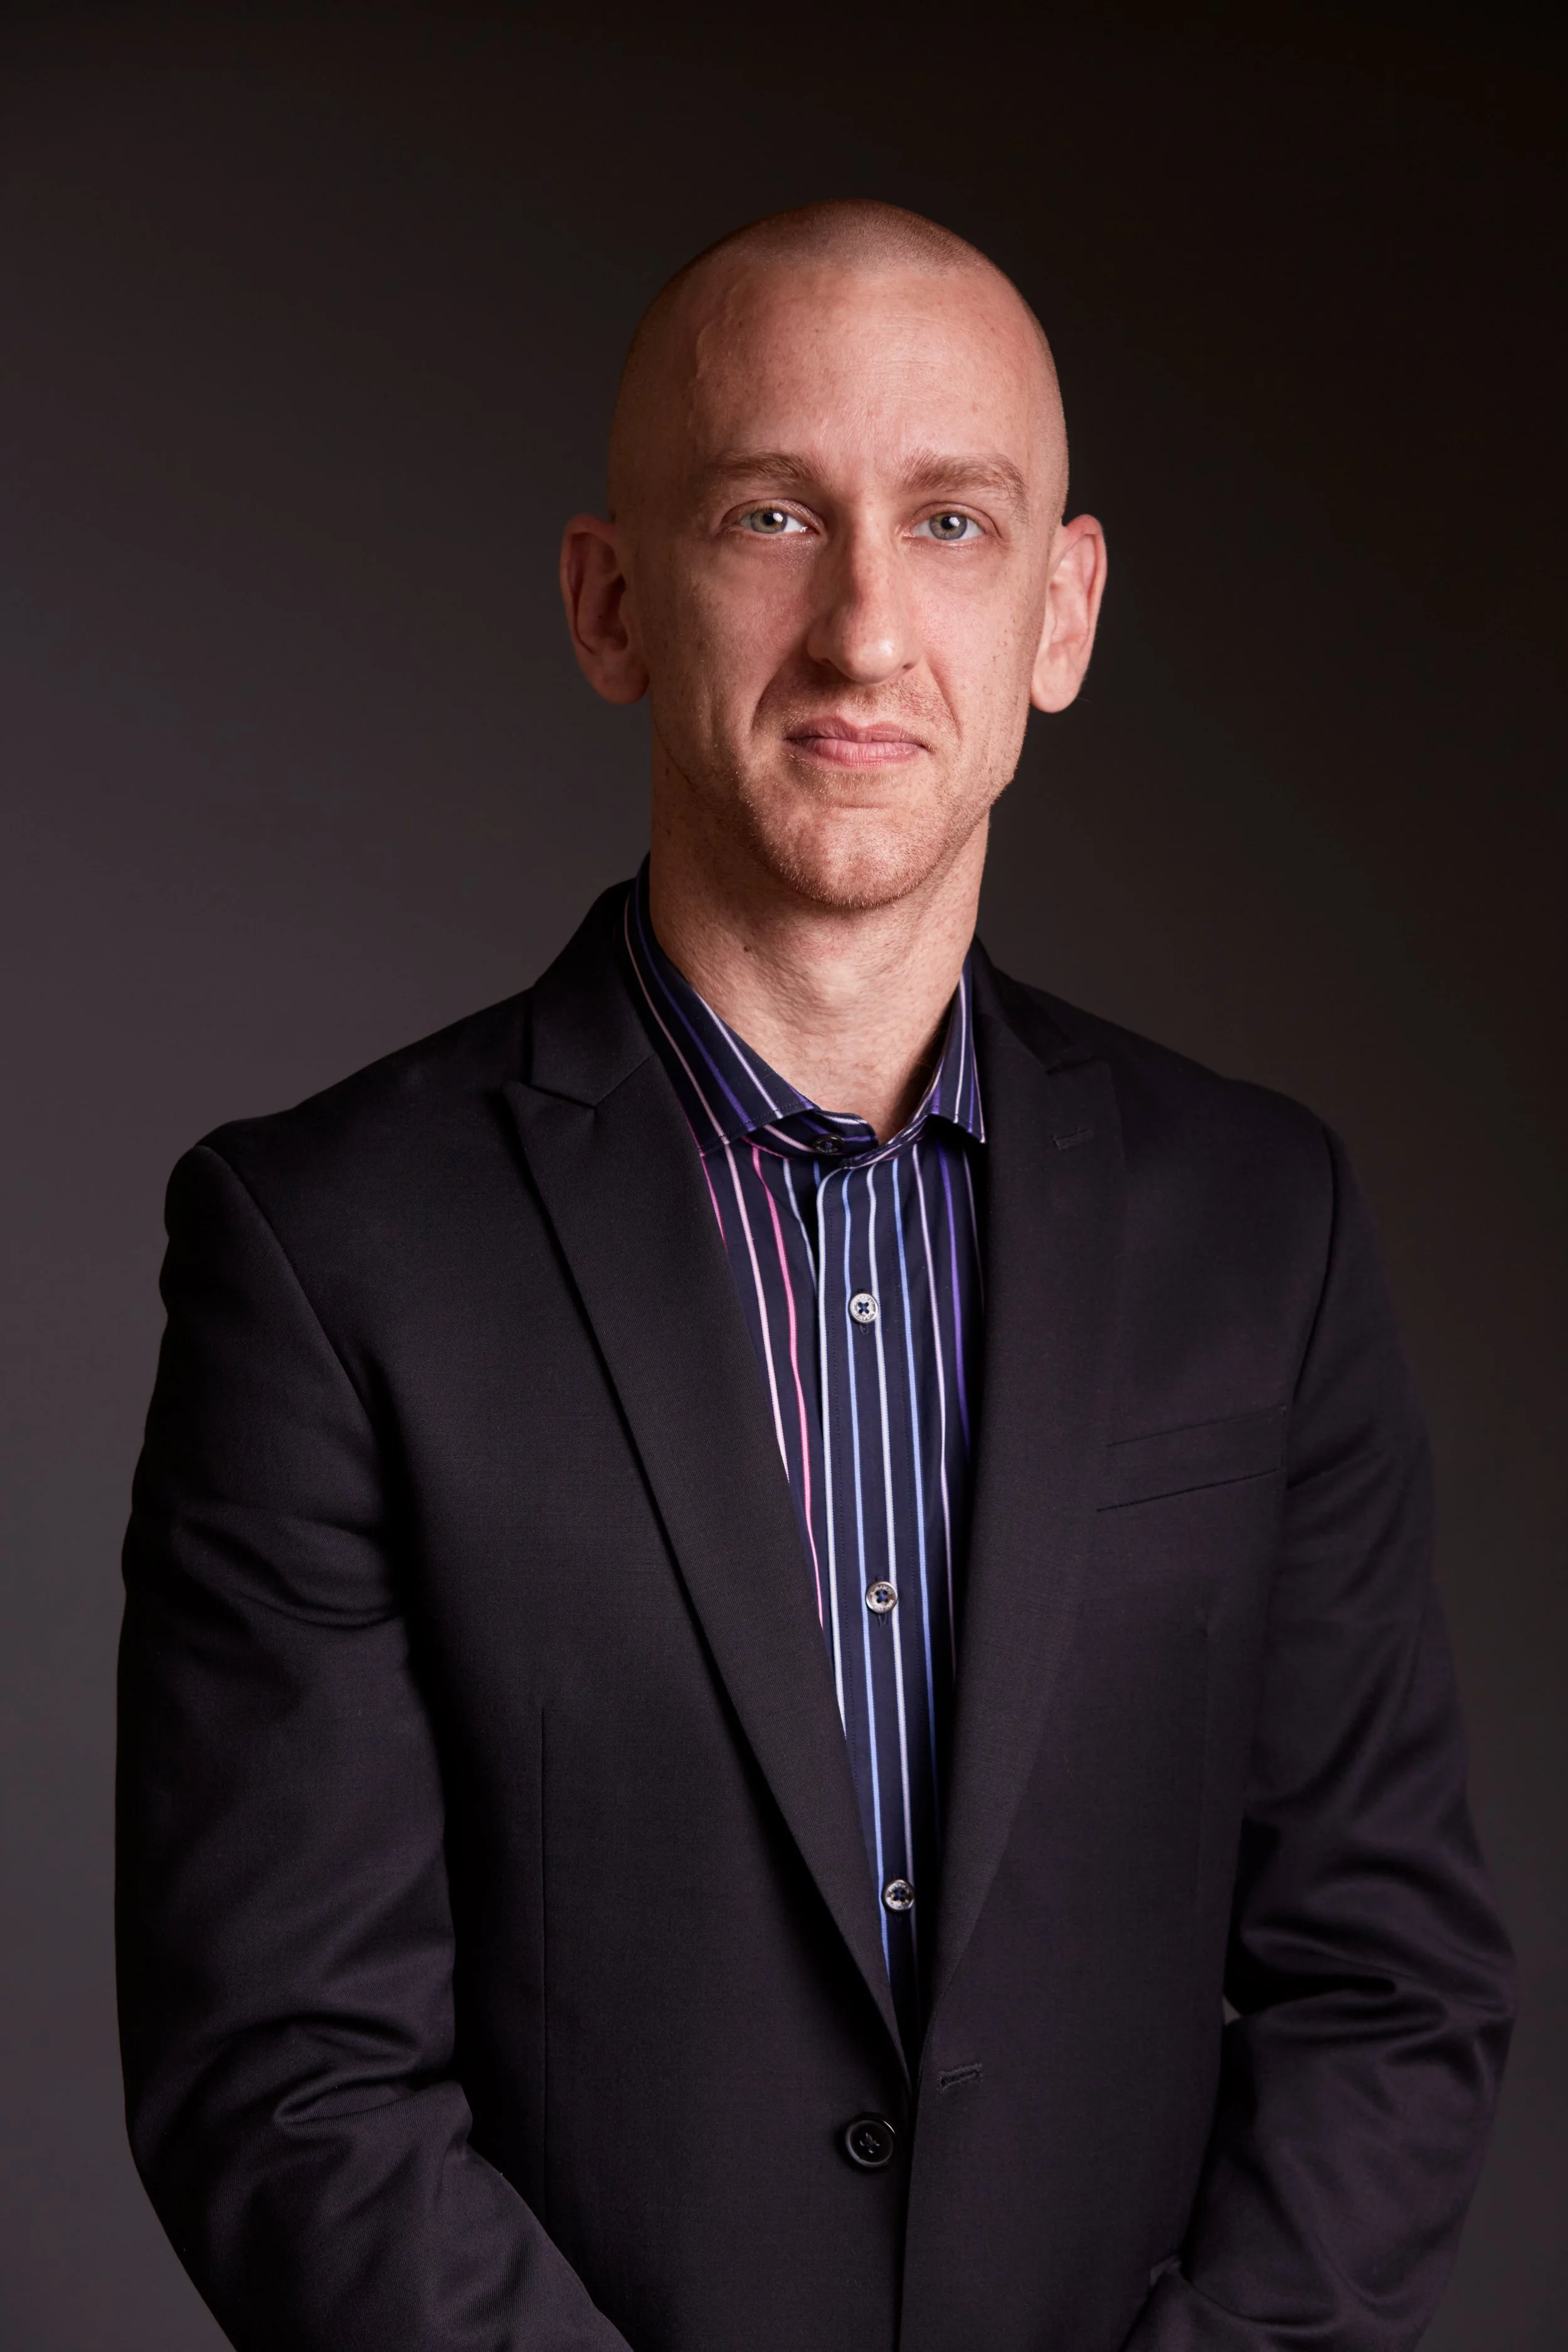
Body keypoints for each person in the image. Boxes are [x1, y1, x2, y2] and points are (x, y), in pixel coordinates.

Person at [117, 199, 1513, 2352]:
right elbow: (284, 2077)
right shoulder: (328, 1253)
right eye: (772, 513)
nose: (865, 629)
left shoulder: (1266, 1223)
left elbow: (1387, 1986)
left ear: (1061, 612)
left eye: (950, 522)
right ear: (611, 602)